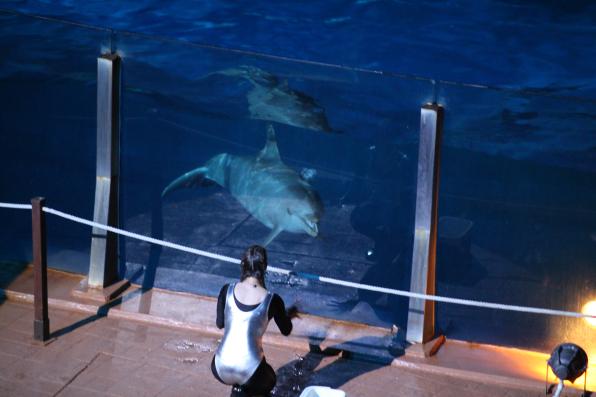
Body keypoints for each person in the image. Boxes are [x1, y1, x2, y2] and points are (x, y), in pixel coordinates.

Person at [211, 245, 298, 397]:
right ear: (265, 267)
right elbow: (286, 330)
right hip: (249, 371)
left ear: (242, 265)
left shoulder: (227, 290)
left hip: (220, 367)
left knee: (248, 380)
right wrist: (287, 314)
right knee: (269, 378)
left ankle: (238, 389)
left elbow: (220, 324)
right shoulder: (272, 299)